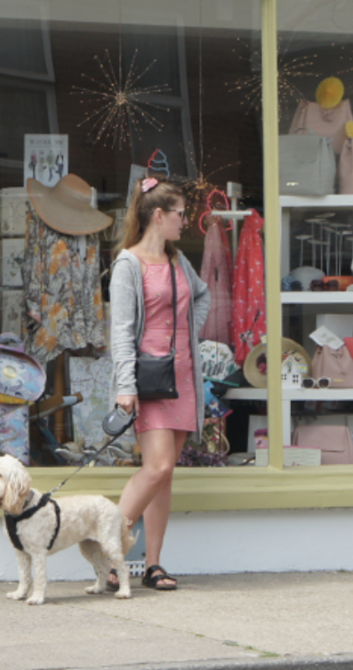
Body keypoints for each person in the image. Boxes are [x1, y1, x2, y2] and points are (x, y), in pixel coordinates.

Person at [108, 176, 210, 591]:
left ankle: (152, 565)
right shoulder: (127, 264)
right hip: (147, 381)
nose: (186, 222)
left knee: (166, 475)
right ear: (158, 215)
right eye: (181, 214)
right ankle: (111, 554)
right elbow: (120, 330)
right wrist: (125, 386)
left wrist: (190, 335)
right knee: (158, 466)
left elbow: (200, 297)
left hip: (183, 377)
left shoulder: (178, 261)